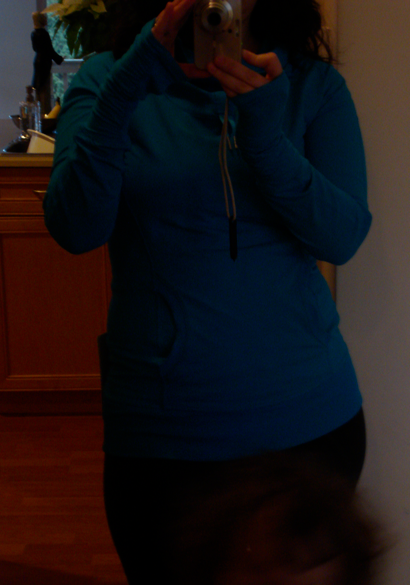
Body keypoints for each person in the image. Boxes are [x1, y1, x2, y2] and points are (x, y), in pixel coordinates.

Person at [43, 0, 372, 582]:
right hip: (164, 438)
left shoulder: (309, 84)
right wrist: (128, 86)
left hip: (309, 426)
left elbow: (341, 237)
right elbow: (75, 226)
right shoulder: (109, 77)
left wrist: (266, 138)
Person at [31, 11, 64, 116]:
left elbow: (34, 48)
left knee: (38, 87)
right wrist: (59, 59)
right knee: (45, 89)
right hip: (44, 63)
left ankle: (39, 113)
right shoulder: (44, 34)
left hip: (37, 61)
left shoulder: (33, 34)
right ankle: (45, 114)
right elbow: (50, 50)